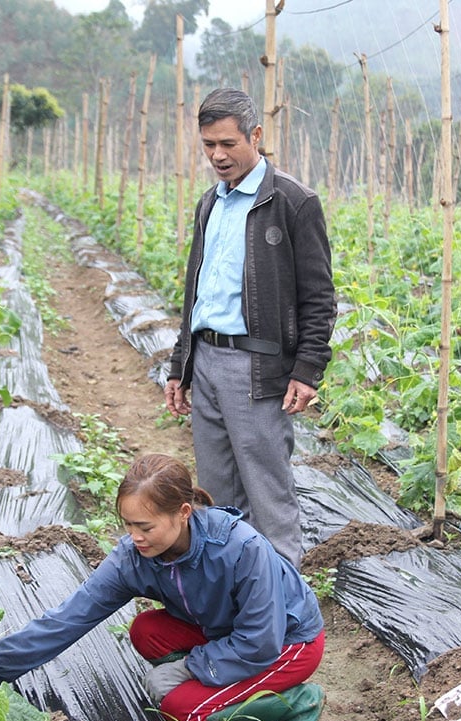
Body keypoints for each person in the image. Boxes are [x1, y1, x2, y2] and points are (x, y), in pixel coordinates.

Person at [0, 453, 327, 721]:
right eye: (127, 524)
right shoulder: (135, 556)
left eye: (145, 526)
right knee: (147, 631)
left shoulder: (240, 549)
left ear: (184, 512)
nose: (134, 537)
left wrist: (192, 667)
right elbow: (70, 617)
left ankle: (299, 702)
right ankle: (219, 686)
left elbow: (261, 640)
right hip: (225, 630)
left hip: (287, 642)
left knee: (179, 710)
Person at [164, 88, 336, 572]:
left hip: (258, 368)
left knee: (267, 495)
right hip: (209, 362)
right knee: (215, 495)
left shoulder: (293, 203)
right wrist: (181, 365)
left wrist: (306, 369)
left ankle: (284, 611)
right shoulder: (209, 204)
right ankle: (231, 601)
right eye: (208, 145)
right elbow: (196, 293)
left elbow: (319, 297)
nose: (217, 155)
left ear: (255, 136)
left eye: (227, 143)